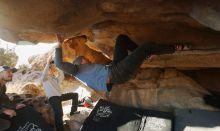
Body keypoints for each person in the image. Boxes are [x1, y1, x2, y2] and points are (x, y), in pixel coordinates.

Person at [55, 34, 188, 93]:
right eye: (84, 59)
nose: (87, 60)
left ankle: (144, 55)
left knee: (121, 39)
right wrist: (59, 44)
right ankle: (175, 48)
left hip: (114, 67)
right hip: (117, 73)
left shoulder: (85, 71)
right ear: (79, 62)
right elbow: (59, 65)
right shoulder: (76, 70)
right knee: (147, 46)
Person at [40, 58, 79, 131]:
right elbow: (43, 75)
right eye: (49, 69)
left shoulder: (55, 79)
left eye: (51, 69)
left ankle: (73, 111)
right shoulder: (45, 79)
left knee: (75, 95)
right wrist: (48, 64)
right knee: (59, 114)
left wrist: (57, 66)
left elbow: (62, 76)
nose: (50, 70)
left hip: (59, 96)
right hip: (53, 98)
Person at [0, 65, 25, 131]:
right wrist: (4, 110)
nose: (11, 74)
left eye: (11, 72)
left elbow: (4, 100)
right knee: (5, 125)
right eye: (8, 72)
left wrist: (14, 106)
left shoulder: (3, 86)